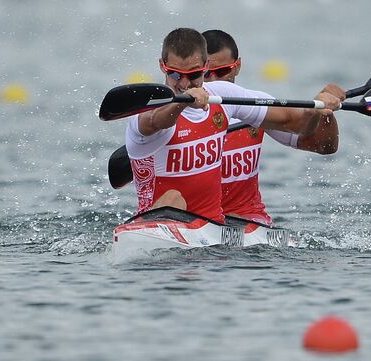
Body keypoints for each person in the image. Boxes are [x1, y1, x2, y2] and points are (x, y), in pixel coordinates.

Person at [125, 28, 344, 224]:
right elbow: (155, 121)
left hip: (220, 230)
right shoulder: (147, 108)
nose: (183, 83)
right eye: (174, 74)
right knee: (172, 200)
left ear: (205, 67)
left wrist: (316, 110)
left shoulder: (223, 95)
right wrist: (181, 105)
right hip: (161, 224)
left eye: (193, 75)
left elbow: (296, 124)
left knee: (235, 217)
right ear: (161, 67)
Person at [202, 29, 343, 226]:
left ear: (237, 67)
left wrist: (322, 111)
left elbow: (323, 146)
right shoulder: (178, 111)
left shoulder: (256, 105)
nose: (213, 81)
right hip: (197, 220)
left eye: (222, 72)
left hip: (249, 220)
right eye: (205, 73)